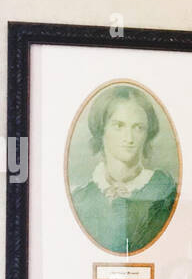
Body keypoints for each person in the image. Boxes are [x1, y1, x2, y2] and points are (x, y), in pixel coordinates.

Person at [69, 84, 178, 254]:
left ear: (147, 133)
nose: (129, 138)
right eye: (119, 126)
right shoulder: (81, 198)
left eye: (138, 128)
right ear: (101, 128)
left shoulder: (165, 192)